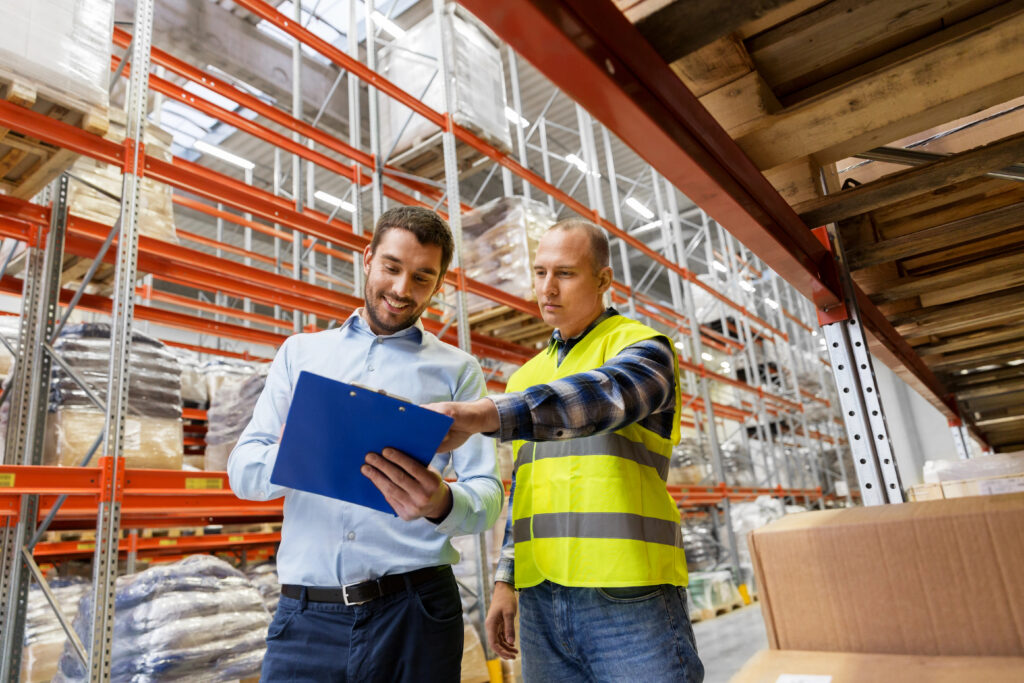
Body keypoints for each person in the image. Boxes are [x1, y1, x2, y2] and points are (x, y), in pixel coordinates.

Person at [229, 206, 503, 682]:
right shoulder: (301, 354)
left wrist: (443, 503)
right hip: (307, 617)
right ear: (368, 258)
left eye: (422, 278)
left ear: (438, 286)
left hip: (415, 611)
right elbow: (244, 472)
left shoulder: (457, 370)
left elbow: (488, 495)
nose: (401, 290)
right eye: (392, 268)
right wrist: (312, 447)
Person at [426, 218, 704, 682]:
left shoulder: (644, 350)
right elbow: (527, 493)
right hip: (541, 599)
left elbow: (599, 399)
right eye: (539, 272)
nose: (547, 288)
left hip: (629, 595)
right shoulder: (524, 378)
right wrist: (505, 581)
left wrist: (482, 415)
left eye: (566, 273)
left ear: (603, 279)